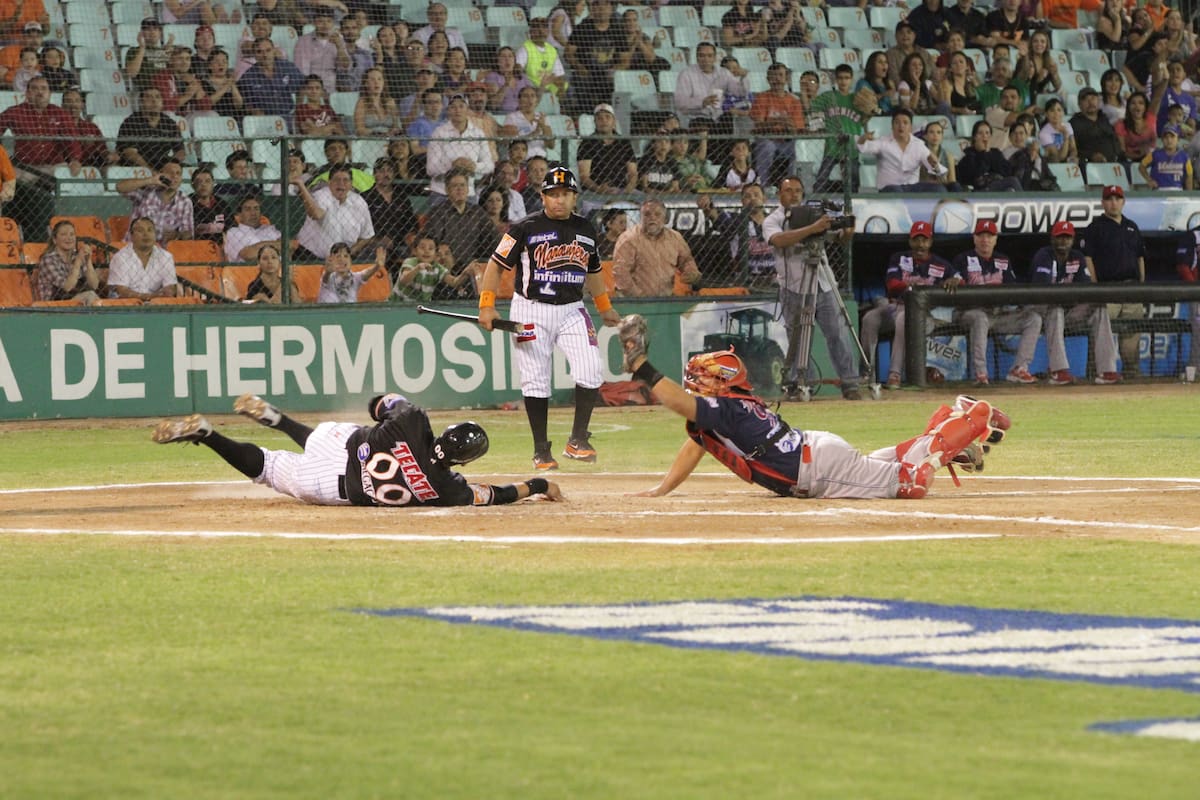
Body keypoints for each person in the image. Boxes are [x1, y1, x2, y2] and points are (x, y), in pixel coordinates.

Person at [617, 318, 1010, 500]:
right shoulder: (725, 411)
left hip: (818, 468)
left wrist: (640, 365)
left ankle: (972, 417)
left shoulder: (727, 408)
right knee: (891, 468)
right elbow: (695, 444)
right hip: (817, 458)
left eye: (705, 377)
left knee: (914, 483)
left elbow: (674, 400)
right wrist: (661, 490)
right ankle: (948, 431)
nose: (697, 383)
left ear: (723, 382)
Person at [152, 392, 560, 507]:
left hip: (342, 442)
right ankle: (208, 435)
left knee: (333, 437)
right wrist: (538, 483)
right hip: (336, 486)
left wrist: (389, 407)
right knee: (269, 467)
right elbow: (500, 495)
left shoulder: (414, 421)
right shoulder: (449, 489)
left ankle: (279, 420)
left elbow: (380, 404)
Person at [477, 165, 622, 469]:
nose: (559, 200)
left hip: (572, 309)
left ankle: (578, 440)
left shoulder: (585, 228)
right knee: (535, 381)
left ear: (574, 197)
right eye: (553, 194)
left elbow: (593, 271)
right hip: (530, 309)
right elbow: (495, 265)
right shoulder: (523, 227)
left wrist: (604, 306)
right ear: (543, 196)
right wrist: (486, 305)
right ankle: (541, 450)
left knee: (591, 368)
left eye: (566, 194)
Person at [764, 175, 862, 400]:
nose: (794, 194)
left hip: (822, 282)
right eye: (789, 191)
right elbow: (779, 240)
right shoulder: (774, 219)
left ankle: (850, 383)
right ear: (780, 194)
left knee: (838, 332)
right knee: (798, 336)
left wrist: (847, 231)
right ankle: (801, 384)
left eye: (798, 190)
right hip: (794, 286)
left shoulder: (813, 214)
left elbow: (838, 239)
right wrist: (812, 228)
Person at [860, 221, 957, 389]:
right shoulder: (899, 258)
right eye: (916, 240)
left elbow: (959, 279)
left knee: (905, 318)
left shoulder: (941, 265)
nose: (920, 244)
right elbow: (892, 284)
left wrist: (954, 279)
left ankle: (894, 375)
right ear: (910, 241)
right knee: (870, 318)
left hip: (922, 315)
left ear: (931, 242)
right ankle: (867, 373)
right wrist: (916, 288)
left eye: (924, 240)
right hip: (894, 307)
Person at [950, 219, 1042, 385]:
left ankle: (1019, 369)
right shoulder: (963, 259)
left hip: (998, 314)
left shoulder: (1003, 260)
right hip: (968, 314)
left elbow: (1012, 290)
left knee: (1033, 319)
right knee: (980, 318)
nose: (985, 239)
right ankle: (981, 374)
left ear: (996, 239)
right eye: (981, 235)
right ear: (974, 238)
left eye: (989, 236)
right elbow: (955, 282)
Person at [1032, 221, 1122, 385]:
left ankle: (1107, 370)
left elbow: (1086, 289)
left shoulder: (1077, 257)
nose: (1063, 241)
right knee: (1055, 308)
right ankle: (1058, 371)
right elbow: (1042, 291)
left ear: (1073, 239)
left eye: (1067, 238)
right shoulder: (1043, 255)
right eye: (1060, 237)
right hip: (1042, 313)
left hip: (1070, 312)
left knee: (1099, 307)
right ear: (1052, 238)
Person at [1081, 184, 1146, 378]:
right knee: (1100, 338)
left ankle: (1132, 376)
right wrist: (1095, 287)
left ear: (1123, 202)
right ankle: (1095, 375)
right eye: (1109, 199)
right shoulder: (1095, 227)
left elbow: (1140, 257)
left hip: (1131, 289)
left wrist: (1142, 285)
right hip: (1107, 289)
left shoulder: (1132, 226)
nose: (1114, 203)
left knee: (1132, 339)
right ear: (1103, 203)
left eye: (1117, 199)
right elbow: (1088, 258)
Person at [422, 168, 495, 289]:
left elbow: (493, 237)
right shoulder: (438, 212)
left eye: (462, 185)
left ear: (468, 189)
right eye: (454, 186)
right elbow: (433, 241)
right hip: (447, 268)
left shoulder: (477, 212)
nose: (459, 189)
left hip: (472, 265)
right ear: (447, 190)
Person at [612, 199, 701, 296]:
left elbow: (686, 260)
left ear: (665, 219)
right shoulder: (628, 239)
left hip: (665, 298)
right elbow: (621, 273)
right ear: (640, 218)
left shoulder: (675, 238)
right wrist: (639, 297)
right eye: (647, 214)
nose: (652, 218)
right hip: (634, 300)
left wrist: (691, 272)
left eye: (657, 214)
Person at [293, 165, 376, 262]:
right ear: (329, 183)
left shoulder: (359, 202)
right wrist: (301, 186)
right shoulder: (322, 195)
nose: (341, 184)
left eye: (345, 180)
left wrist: (349, 253)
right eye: (337, 180)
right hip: (311, 257)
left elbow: (367, 235)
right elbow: (316, 214)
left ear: (351, 184)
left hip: (343, 261)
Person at [856, 108, 948, 192]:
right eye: (897, 122)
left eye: (905, 122)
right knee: (896, 190)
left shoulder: (918, 144)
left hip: (912, 188)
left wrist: (934, 165)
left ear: (911, 127)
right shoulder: (883, 142)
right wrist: (863, 139)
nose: (901, 126)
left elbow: (937, 170)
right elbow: (862, 148)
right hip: (889, 188)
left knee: (939, 189)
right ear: (892, 126)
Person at [808, 63, 867, 191]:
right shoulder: (829, 97)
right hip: (832, 145)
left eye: (846, 78)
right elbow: (811, 106)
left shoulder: (857, 99)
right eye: (840, 78)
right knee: (820, 181)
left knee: (853, 183)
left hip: (851, 146)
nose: (843, 81)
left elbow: (866, 118)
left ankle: (853, 205)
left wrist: (872, 109)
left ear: (851, 79)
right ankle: (818, 203)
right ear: (835, 79)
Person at [426, 94, 494, 199]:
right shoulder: (439, 133)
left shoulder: (478, 133)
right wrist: (453, 165)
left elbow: (489, 165)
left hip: (468, 193)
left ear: (467, 109)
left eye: (461, 106)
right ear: (448, 110)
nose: (457, 110)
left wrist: (474, 166)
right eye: (453, 107)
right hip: (442, 192)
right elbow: (431, 168)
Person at [564, 0, 626, 115]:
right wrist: (579, 67)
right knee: (581, 84)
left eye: (605, 5)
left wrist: (615, 70)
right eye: (597, 6)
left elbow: (625, 60)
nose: (601, 9)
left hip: (609, 76)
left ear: (611, 9)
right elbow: (568, 54)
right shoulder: (582, 29)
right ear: (592, 9)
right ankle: (585, 117)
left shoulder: (618, 30)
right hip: (586, 74)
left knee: (618, 86)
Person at [750, 63, 805, 186]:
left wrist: (786, 127)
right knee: (767, 147)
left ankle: (792, 186)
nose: (777, 78)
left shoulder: (794, 101)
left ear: (786, 78)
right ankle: (763, 186)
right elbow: (758, 125)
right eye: (773, 75)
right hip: (767, 139)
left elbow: (797, 128)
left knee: (799, 148)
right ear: (768, 79)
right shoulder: (761, 98)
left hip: (787, 142)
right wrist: (779, 121)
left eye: (780, 75)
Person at [115, 158, 194, 243]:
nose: (174, 176)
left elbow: (188, 233)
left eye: (178, 173)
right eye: (170, 172)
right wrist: (151, 180)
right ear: (161, 174)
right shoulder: (146, 192)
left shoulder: (185, 201)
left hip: (164, 252)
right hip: (136, 248)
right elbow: (120, 187)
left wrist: (177, 235)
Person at [237, 37, 307, 124]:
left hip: (288, 116)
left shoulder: (287, 66)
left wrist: (298, 109)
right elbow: (244, 104)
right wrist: (253, 110)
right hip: (264, 120)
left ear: (274, 51)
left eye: (268, 50)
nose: (265, 55)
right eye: (259, 52)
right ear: (254, 55)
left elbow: (302, 86)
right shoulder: (248, 76)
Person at [107, 216, 179, 301]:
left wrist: (158, 296)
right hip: (127, 305)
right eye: (140, 230)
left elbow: (170, 288)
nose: (146, 234)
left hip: (156, 305)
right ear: (131, 236)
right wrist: (151, 297)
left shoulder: (166, 257)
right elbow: (122, 291)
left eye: (150, 230)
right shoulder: (120, 257)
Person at [116, 87, 186, 169]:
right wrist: (150, 170)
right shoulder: (131, 123)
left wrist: (171, 165)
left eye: (157, 97)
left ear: (162, 102)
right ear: (141, 102)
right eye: (148, 97)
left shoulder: (169, 123)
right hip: (137, 167)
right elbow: (130, 153)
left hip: (162, 165)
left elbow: (180, 151)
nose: (154, 101)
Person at [390, 233, 473, 303]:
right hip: (398, 305)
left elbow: (454, 282)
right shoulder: (410, 262)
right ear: (415, 250)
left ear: (436, 253)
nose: (426, 251)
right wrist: (417, 268)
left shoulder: (438, 268)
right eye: (422, 247)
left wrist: (466, 272)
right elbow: (404, 280)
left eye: (431, 248)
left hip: (420, 307)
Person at [35, 219, 100, 305]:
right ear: (55, 240)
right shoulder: (48, 260)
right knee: (90, 296)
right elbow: (67, 287)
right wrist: (78, 262)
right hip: (54, 304)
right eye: (63, 234)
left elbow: (94, 285)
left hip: (77, 300)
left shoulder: (77, 256)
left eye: (72, 234)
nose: (69, 238)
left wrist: (88, 261)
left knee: (93, 297)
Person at [576, 103, 636, 195]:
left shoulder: (624, 142)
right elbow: (584, 177)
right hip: (594, 192)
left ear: (614, 121)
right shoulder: (587, 143)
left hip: (622, 189)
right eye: (599, 118)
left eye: (607, 117)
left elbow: (633, 172)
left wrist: (628, 190)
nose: (604, 121)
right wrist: (599, 190)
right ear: (595, 122)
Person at [293, 6, 350, 95]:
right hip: (311, 89)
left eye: (329, 21)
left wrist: (339, 47)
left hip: (333, 89)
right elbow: (302, 71)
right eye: (321, 21)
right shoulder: (303, 41)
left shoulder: (339, 40)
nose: (325, 25)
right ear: (314, 23)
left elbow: (346, 67)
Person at [957, 120, 1023, 191]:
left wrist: (989, 153)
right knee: (1012, 181)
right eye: (980, 133)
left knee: (1009, 190)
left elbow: (1007, 172)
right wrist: (984, 153)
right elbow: (977, 174)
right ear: (975, 137)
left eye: (987, 133)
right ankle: (1025, 201)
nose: (984, 136)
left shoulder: (995, 152)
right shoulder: (969, 154)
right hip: (979, 189)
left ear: (990, 136)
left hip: (997, 185)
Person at [516, 17, 567, 102]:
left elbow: (559, 75)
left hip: (550, 89)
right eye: (536, 27)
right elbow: (518, 71)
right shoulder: (525, 48)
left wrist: (561, 89)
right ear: (531, 31)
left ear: (548, 31)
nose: (540, 30)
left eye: (544, 27)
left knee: (567, 89)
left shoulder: (552, 50)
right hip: (532, 89)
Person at [317, 242, 386, 303]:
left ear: (350, 260)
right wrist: (328, 272)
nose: (342, 259)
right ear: (331, 260)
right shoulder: (329, 277)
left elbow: (366, 273)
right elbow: (325, 279)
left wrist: (377, 266)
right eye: (338, 256)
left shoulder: (355, 278)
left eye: (346, 256)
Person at [1174, 223, 1200, 382]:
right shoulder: (1193, 236)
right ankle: (1196, 371)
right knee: (1198, 330)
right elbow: (1183, 266)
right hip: (1197, 293)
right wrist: (1196, 290)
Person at [224, 195, 283, 263]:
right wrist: (276, 245)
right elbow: (249, 255)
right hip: (248, 272)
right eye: (248, 209)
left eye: (256, 208)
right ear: (239, 214)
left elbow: (289, 248)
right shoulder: (234, 232)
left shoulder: (270, 229)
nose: (253, 213)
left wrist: (258, 247)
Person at [1072, 87, 1123, 165]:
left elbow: (1114, 140)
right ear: (1079, 104)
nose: (1090, 102)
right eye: (1085, 99)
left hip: (1114, 165)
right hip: (1089, 167)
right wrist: (1091, 156)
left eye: (1093, 98)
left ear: (1098, 101)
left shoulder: (1105, 119)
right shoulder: (1074, 124)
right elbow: (1073, 149)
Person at [1141, 124, 1194, 190]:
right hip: (1158, 192)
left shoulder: (1185, 157)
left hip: (1178, 192)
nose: (1169, 140)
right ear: (1162, 139)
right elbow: (1141, 166)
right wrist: (1149, 180)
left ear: (1178, 139)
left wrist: (1189, 195)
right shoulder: (1155, 154)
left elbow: (1189, 176)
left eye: (1172, 137)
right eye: (1166, 137)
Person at [124, 17, 171, 92]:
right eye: (148, 29)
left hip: (166, 93)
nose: (152, 32)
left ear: (160, 33)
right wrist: (142, 48)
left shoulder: (165, 51)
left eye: (155, 29)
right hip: (147, 94)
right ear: (142, 33)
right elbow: (131, 73)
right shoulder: (134, 51)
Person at [189, 166, 229, 244]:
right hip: (195, 247)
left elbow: (231, 228)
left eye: (207, 181)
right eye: (199, 181)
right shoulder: (187, 203)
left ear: (213, 184)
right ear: (193, 185)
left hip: (220, 247)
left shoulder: (222, 204)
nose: (203, 184)